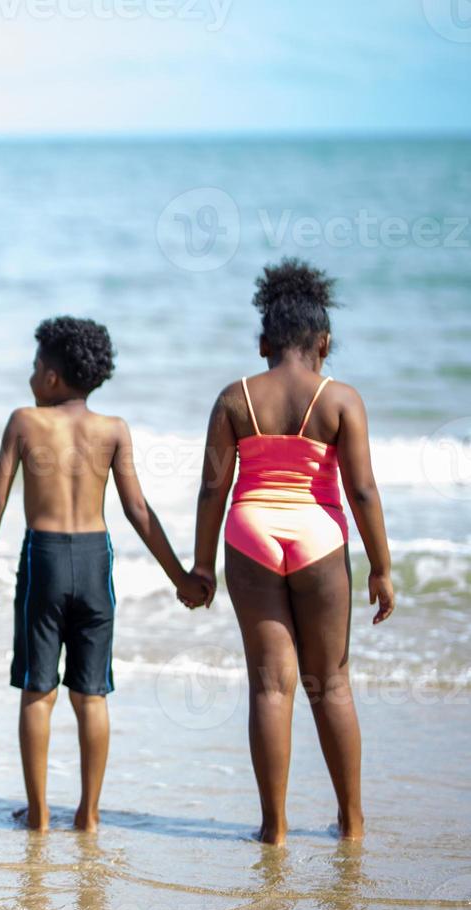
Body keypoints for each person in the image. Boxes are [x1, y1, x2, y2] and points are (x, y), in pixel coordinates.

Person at [0, 317, 206, 832]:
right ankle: (90, 813)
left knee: (38, 689)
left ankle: (38, 814)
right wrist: (180, 577)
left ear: (52, 377)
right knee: (92, 692)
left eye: (36, 367)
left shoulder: (25, 422)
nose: (31, 376)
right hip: (97, 560)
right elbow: (139, 511)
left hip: (45, 558)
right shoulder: (113, 429)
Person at [190, 258, 394, 845]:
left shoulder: (234, 398)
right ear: (324, 343)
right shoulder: (341, 399)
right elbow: (361, 490)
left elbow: (212, 487)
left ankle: (273, 829)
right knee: (329, 682)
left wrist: (202, 566)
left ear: (263, 344)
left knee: (269, 685)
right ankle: (351, 823)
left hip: (250, 533)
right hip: (319, 536)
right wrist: (380, 567)